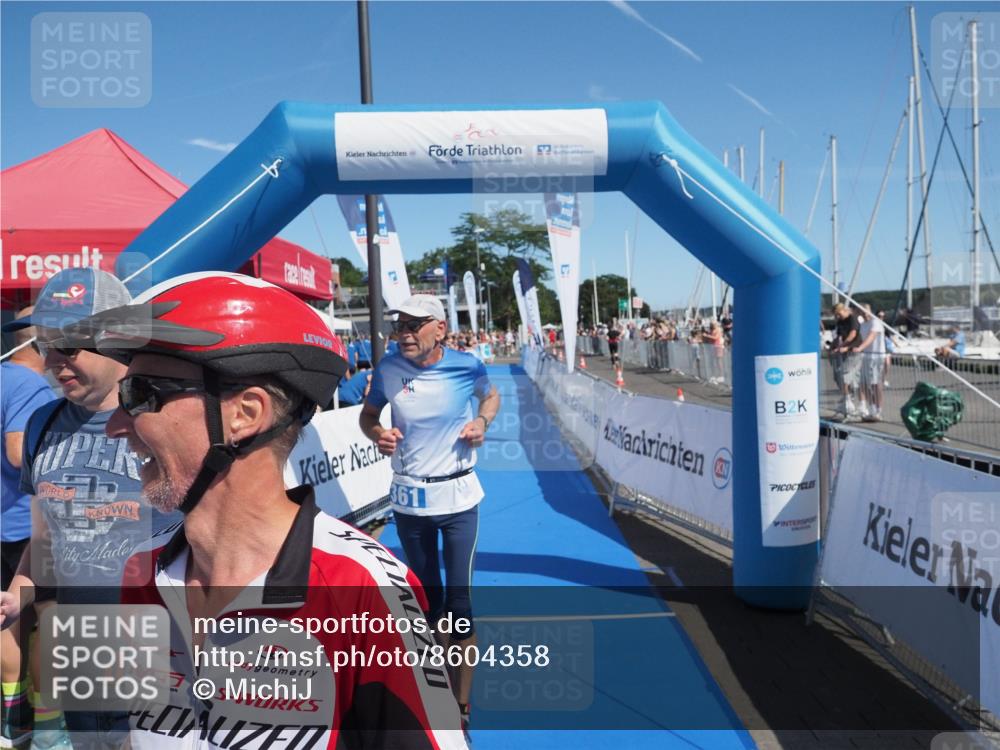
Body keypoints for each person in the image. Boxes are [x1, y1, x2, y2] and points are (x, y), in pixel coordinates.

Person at [80, 273, 465, 749]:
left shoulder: (362, 589)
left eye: (139, 395)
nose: (115, 426)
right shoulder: (140, 573)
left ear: (244, 414)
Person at [1, 269, 187, 750]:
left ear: (118, 338)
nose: (54, 360)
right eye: (46, 344)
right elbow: (47, 536)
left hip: (165, 661)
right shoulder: (42, 422)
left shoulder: (170, 419)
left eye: (70, 344)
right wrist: (20, 590)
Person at [359, 294, 500, 741]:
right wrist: (379, 433)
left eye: (414, 324)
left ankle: (461, 706)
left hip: (458, 500)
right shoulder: (388, 368)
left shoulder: (466, 365)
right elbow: (367, 416)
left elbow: (491, 397)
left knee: (459, 609)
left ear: (439, 328)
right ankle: (436, 693)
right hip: (409, 503)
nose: (403, 331)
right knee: (427, 604)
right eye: (399, 323)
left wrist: (482, 423)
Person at [1, 308, 56, 750]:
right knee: (40, 625)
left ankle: (12, 721)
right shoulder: (30, 384)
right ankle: (40, 726)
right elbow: (20, 453)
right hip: (24, 525)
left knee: (5, 622)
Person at [854, 304, 885, 421]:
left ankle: (878, 410)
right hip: (866, 357)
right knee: (865, 383)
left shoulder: (876, 322)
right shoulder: (863, 325)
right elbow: (861, 339)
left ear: (869, 310)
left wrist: (860, 348)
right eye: (861, 311)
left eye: (865, 310)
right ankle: (871, 409)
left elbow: (871, 337)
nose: (864, 313)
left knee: (875, 384)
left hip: (876, 357)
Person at [831, 303, 861, 420]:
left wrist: (844, 345)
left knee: (845, 375)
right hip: (842, 351)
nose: (838, 317)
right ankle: (847, 398)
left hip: (852, 349)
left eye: (839, 314)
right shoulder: (840, 321)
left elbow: (853, 334)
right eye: (836, 315)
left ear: (843, 310)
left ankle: (849, 400)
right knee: (837, 375)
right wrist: (833, 346)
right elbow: (838, 336)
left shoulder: (852, 318)